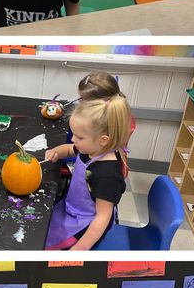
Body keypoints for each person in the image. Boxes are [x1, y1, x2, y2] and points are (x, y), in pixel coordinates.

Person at [44, 95, 130, 250]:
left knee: (45, 246)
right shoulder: (91, 149)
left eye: (79, 137)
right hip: (72, 208)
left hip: (87, 223)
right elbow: (69, 149)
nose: (73, 139)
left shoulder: (107, 175)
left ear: (103, 140)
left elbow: (103, 217)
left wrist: (81, 247)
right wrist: (56, 152)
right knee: (41, 227)